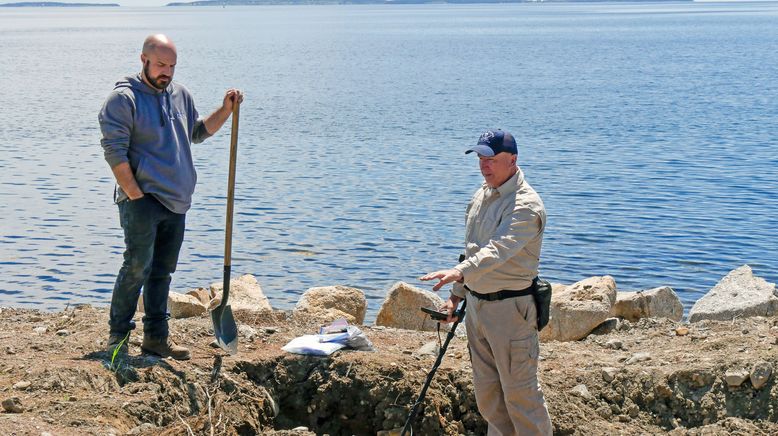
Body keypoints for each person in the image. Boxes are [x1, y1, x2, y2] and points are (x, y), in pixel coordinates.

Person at [98, 34, 243, 360]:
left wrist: (225, 110)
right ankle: (118, 338)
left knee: (162, 271)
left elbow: (197, 133)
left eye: (172, 66)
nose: (167, 72)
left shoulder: (180, 95)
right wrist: (134, 193)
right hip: (142, 199)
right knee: (137, 267)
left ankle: (156, 339)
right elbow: (114, 152)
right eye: (161, 64)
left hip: (176, 200)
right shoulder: (124, 99)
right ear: (144, 60)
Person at [420, 129, 552, 435]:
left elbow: (499, 251)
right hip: (478, 309)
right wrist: (456, 295)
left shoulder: (526, 205)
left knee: (522, 398)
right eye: (480, 158)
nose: (484, 165)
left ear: (513, 160)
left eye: (491, 159)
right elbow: (473, 249)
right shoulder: (482, 194)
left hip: (511, 311)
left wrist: (461, 273)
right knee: (489, 400)